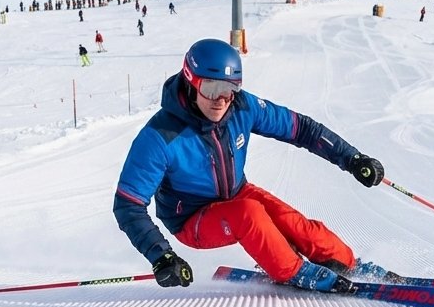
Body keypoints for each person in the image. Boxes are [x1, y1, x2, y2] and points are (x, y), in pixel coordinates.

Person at [113, 38, 385, 292]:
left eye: (229, 89)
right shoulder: (160, 136)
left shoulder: (242, 107)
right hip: (190, 219)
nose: (220, 100)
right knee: (249, 214)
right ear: (190, 81)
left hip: (236, 193)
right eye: (211, 88)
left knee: (295, 224)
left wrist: (351, 158)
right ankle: (292, 270)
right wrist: (162, 255)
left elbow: (301, 129)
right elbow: (128, 205)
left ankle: (348, 264)